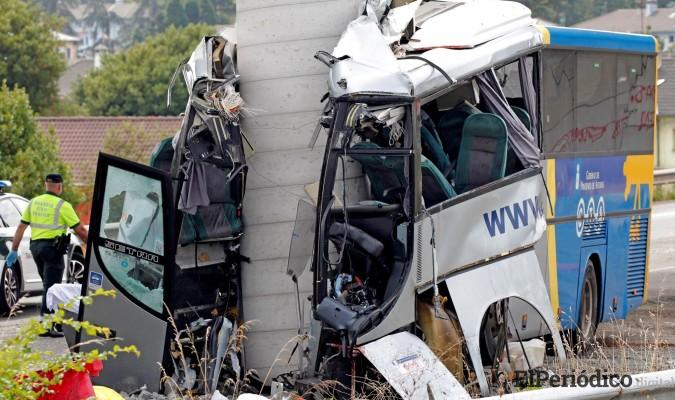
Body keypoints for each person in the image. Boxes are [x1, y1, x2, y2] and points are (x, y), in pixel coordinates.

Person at [5, 173, 88, 337]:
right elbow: (80, 230)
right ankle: (46, 325)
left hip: (35, 249)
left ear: (45, 185)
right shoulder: (62, 205)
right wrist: (93, 245)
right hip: (52, 250)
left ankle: (53, 324)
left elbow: (21, 228)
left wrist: (14, 249)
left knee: (48, 286)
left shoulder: (33, 202)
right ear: (60, 187)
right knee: (52, 287)